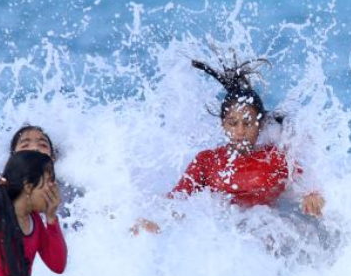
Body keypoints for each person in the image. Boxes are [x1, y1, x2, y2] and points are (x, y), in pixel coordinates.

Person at [133, 57, 325, 234]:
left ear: (260, 125)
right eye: (233, 123)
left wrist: (312, 197)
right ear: (223, 124)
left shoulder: (276, 158)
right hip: (224, 240)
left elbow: (306, 186)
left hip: (268, 232)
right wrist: (153, 221)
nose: (240, 131)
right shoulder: (206, 161)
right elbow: (177, 201)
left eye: (248, 123)